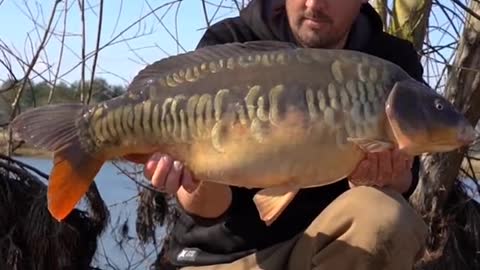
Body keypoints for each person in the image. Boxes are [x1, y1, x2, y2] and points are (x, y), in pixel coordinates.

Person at [143, 0, 428, 269]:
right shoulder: (230, 42)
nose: (314, 4)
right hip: (224, 259)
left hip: (329, 251)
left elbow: (405, 179)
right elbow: (207, 209)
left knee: (384, 214)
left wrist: (382, 178)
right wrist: (193, 173)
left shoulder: (391, 65)